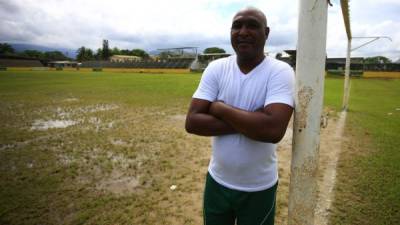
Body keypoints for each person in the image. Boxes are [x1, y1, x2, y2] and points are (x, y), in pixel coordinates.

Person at [185, 6, 295, 225]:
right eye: (237, 26)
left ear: (267, 32)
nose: (243, 31)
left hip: (258, 187)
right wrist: (253, 121)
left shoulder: (280, 71)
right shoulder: (216, 68)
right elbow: (192, 122)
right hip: (217, 181)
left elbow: (273, 130)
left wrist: (219, 109)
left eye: (252, 25)